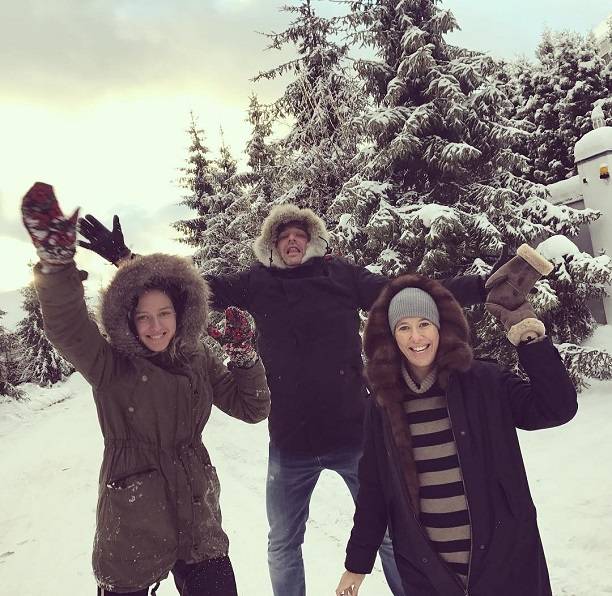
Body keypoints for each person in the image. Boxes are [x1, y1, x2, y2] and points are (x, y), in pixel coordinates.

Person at [77, 203, 548, 596]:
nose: (292, 241)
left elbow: (402, 292)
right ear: (271, 245)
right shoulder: (257, 282)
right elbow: (189, 288)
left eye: (300, 235)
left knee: (389, 534)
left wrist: (481, 287)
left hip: (353, 433)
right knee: (283, 542)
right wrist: (127, 260)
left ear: (313, 241)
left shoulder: (341, 276)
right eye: (283, 236)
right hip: (290, 442)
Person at [21, 182, 271, 596]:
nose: (156, 326)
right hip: (133, 526)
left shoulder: (196, 358)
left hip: (199, 522)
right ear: (128, 320)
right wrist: (56, 266)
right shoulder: (110, 365)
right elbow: (66, 326)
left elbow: (252, 408)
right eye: (143, 317)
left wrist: (243, 355)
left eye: (165, 313)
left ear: (181, 314)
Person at [334, 273, 577, 596]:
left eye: (424, 323)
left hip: (506, 564)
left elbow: (556, 408)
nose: (416, 336)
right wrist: (357, 564)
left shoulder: (484, 382)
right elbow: (374, 491)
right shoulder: (382, 404)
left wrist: (528, 334)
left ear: (440, 326)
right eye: (403, 327)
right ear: (391, 336)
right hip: (430, 575)